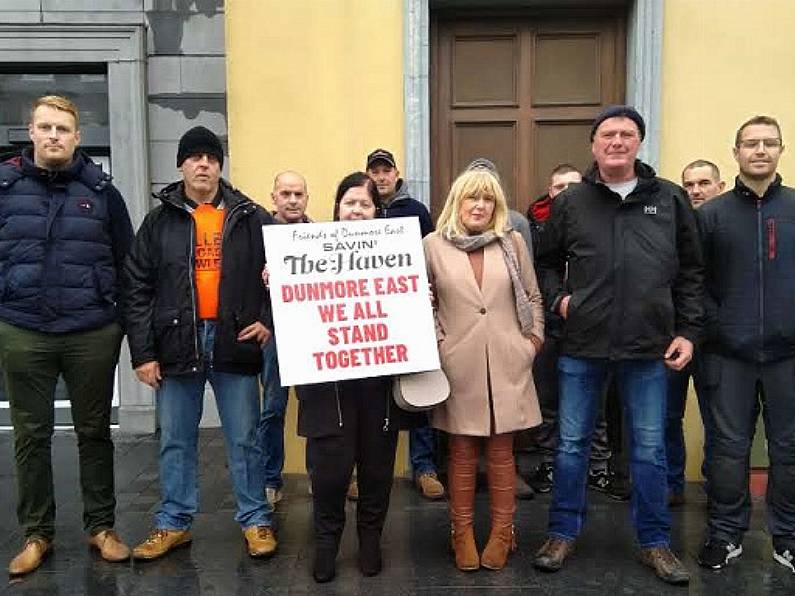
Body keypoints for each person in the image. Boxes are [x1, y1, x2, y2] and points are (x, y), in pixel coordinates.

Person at [533, 105, 703, 585]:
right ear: (593, 145)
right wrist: (560, 301)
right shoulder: (571, 202)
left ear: (639, 143)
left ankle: (655, 543)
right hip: (582, 345)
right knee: (570, 446)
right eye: (608, 134)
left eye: (627, 134)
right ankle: (562, 532)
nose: (617, 141)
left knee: (648, 449)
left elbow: (692, 272)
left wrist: (688, 331)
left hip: (649, 348)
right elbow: (544, 263)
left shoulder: (669, 200)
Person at [123, 126, 277, 560]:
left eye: (211, 157)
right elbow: (135, 286)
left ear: (220, 165)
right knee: (175, 437)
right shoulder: (159, 221)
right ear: (181, 165)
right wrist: (143, 352)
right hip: (176, 342)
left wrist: (267, 320)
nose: (204, 164)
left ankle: (256, 519)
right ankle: (173, 523)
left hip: (235, 340)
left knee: (245, 436)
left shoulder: (250, 216)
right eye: (195, 157)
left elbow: (283, 274)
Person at [0, 95, 134, 576]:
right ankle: (37, 534)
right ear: (30, 132)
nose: (54, 136)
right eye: (46, 127)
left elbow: (128, 262)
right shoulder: (4, 187)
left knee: (95, 432)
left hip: (90, 331)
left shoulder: (101, 193)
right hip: (22, 328)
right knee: (30, 436)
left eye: (63, 129)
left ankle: (102, 527)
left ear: (78, 138)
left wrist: (118, 319)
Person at [296, 172, 423, 583]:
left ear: (377, 210)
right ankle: (327, 542)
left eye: (364, 204)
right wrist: (275, 285)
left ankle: (370, 541)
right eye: (349, 202)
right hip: (326, 388)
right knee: (329, 473)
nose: (356, 210)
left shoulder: (398, 252)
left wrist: (422, 299)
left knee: (377, 470)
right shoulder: (307, 253)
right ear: (337, 208)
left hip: (378, 387)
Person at [424, 167, 544, 571]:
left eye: (488, 198)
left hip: (509, 360)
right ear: (456, 202)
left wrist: (532, 343)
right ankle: (461, 533)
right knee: (460, 451)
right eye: (472, 197)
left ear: (497, 206)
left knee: (501, 451)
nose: (479, 205)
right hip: (458, 362)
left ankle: (502, 533)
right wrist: (440, 346)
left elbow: (533, 295)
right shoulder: (432, 245)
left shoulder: (512, 242)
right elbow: (426, 304)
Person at [696, 115, 795, 573]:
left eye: (769, 143)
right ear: (735, 152)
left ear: (780, 151)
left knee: (789, 449)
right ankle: (725, 534)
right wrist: (716, 329)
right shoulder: (711, 215)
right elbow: (693, 282)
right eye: (750, 143)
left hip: (788, 356)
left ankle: (787, 536)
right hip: (727, 354)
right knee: (728, 450)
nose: (760, 150)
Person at [526, 164, 618, 498]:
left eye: (572, 185)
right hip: (550, 325)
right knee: (547, 401)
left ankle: (598, 467)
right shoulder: (532, 227)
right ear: (549, 192)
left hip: (596, 328)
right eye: (558, 186)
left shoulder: (603, 220)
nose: (566, 192)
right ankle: (550, 463)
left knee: (598, 403)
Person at [365, 148, 444, 500]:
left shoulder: (416, 211)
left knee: (419, 392)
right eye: (375, 171)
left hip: (410, 314)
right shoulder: (359, 210)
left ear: (396, 174)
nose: (381, 177)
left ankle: (424, 467)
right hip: (368, 319)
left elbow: (431, 256)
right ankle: (362, 468)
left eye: (386, 170)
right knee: (367, 396)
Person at [666, 159, 725, 507]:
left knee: (718, 418)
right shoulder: (671, 224)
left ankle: (718, 485)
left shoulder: (730, 225)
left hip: (717, 340)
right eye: (688, 184)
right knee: (667, 416)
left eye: (703, 183)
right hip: (673, 336)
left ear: (720, 185)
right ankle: (672, 484)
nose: (695, 190)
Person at [258, 170, 311, 506]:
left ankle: (320, 476)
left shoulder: (319, 237)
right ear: (273, 197)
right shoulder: (257, 235)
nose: (292, 200)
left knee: (316, 408)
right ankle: (269, 480)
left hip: (311, 334)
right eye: (286, 193)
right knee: (273, 409)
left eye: (299, 194)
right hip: (273, 334)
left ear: (307, 198)